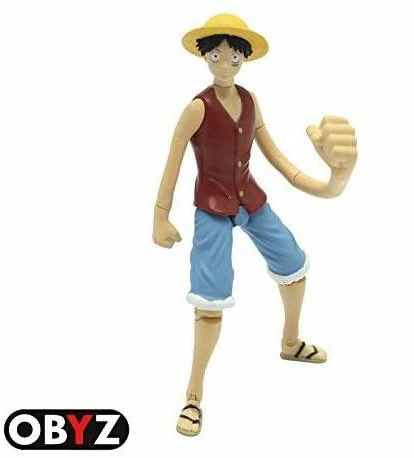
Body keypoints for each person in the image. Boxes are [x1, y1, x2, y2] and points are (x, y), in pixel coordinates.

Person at [152, 13, 357, 437]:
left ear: (244, 59)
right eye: (216, 56)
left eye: (235, 57)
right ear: (204, 57)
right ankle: (193, 395)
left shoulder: (249, 101)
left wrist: (332, 182)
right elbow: (173, 159)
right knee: (209, 301)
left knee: (293, 265)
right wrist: (160, 215)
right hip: (212, 207)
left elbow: (280, 162)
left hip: (251, 197)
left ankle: (290, 342)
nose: (226, 64)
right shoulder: (197, 108)